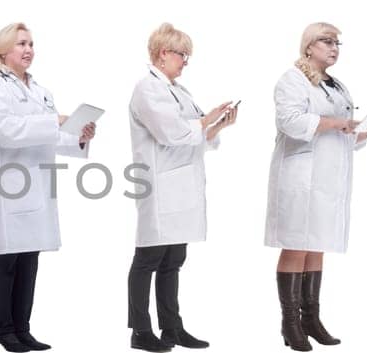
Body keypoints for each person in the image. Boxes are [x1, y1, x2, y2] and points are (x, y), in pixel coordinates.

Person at [0, 22, 96, 353]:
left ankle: (23, 329)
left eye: (30, 43)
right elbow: (5, 130)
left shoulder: (41, 90)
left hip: (37, 184)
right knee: (6, 260)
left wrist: (78, 138)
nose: (28, 50)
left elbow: (54, 137)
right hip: (9, 183)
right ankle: (2, 330)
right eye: (21, 44)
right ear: (2, 50)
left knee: (29, 258)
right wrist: (55, 121)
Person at [264, 22, 367, 352]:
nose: (334, 47)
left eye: (337, 43)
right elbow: (289, 121)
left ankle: (311, 319)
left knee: (316, 243)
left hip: (329, 177)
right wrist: (337, 123)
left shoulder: (338, 85)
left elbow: (341, 135)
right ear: (308, 46)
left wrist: (363, 133)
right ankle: (290, 323)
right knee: (295, 245)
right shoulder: (292, 80)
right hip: (300, 176)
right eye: (327, 41)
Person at [125, 22, 234, 352]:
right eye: (182, 54)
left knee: (173, 260)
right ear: (162, 54)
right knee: (148, 259)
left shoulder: (179, 91)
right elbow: (171, 133)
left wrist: (218, 125)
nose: (186, 61)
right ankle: (141, 331)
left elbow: (194, 138)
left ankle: (172, 327)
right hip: (159, 186)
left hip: (182, 186)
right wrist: (206, 120)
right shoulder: (147, 89)